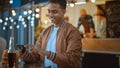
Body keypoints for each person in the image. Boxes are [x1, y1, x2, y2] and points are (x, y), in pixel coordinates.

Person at [2, 0, 82, 68]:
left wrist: (45, 52)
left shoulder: (72, 32)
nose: (50, 15)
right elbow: (35, 57)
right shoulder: (45, 32)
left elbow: (72, 59)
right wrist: (24, 52)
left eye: (54, 12)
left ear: (64, 11)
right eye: (49, 11)